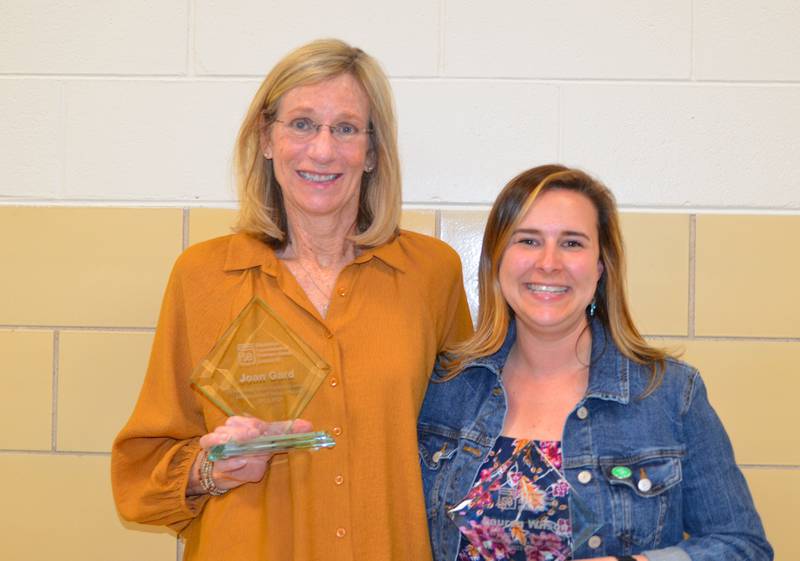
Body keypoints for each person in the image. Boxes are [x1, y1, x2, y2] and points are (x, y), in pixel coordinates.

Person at [112, 38, 472, 561]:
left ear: (372, 152)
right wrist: (211, 467)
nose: (322, 150)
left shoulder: (431, 275)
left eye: (345, 128)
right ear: (266, 138)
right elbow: (142, 471)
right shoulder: (204, 277)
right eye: (302, 124)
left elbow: (467, 445)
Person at [418, 165, 772, 561]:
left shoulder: (669, 394)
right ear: (497, 262)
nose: (548, 263)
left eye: (572, 243)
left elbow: (745, 547)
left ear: (601, 266)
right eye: (529, 241)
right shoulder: (445, 388)